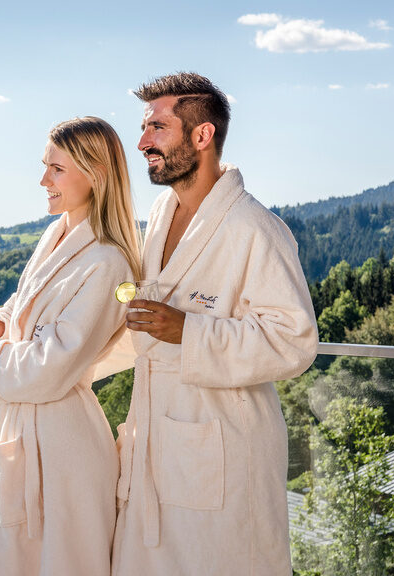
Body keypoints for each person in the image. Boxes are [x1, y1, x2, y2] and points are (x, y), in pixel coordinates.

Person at [107, 73, 319, 575]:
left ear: (202, 136)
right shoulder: (161, 214)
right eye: (143, 129)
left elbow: (296, 341)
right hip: (158, 439)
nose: (142, 143)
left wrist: (191, 331)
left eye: (157, 128)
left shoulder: (253, 228)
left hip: (222, 450)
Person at [0, 116, 141, 576]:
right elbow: (23, 310)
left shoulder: (108, 263)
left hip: (62, 451)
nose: (44, 179)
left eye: (57, 169)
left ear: (95, 173)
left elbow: (54, 364)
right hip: (24, 432)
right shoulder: (57, 234)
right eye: (46, 166)